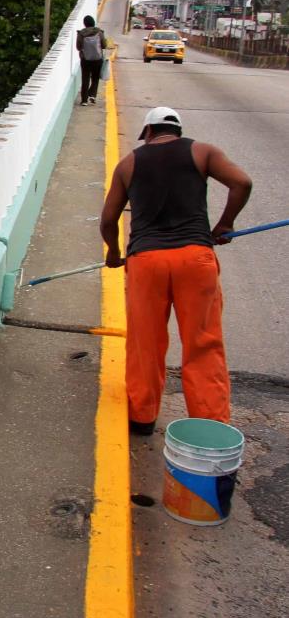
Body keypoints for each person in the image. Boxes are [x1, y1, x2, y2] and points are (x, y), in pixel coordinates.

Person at [100, 107, 252, 433]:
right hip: (196, 259)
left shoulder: (129, 164)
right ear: (177, 130)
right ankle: (210, 426)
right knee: (203, 343)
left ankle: (141, 417)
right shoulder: (202, 151)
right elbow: (241, 182)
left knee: (146, 342)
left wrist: (114, 253)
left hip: (147, 262)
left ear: (148, 133)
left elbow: (108, 219)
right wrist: (225, 224)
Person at [76, 14, 109, 106]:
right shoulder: (99, 32)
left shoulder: (81, 33)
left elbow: (78, 47)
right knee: (95, 78)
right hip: (97, 59)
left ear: (85, 24)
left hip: (85, 59)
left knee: (85, 79)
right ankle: (92, 95)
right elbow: (104, 45)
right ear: (93, 23)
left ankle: (84, 100)